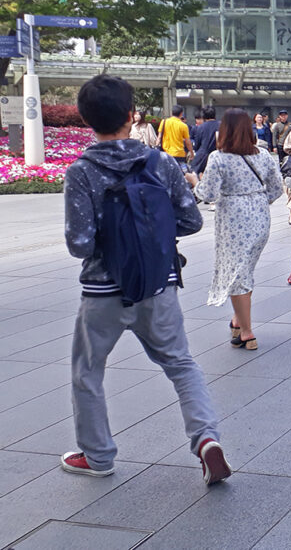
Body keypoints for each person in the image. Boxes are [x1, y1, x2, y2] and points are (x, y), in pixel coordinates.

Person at [61, 74, 230, 484]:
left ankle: (98, 456)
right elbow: (189, 220)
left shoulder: (81, 171)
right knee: (181, 363)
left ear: (87, 119)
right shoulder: (161, 163)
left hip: (103, 290)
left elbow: (80, 245)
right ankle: (206, 440)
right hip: (159, 283)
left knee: (88, 369)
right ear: (132, 115)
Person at [186, 109, 283, 351]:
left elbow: (207, 194)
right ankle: (238, 320)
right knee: (244, 269)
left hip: (232, 217)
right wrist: (258, 200)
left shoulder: (219, 158)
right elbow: (277, 188)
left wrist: (194, 182)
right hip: (260, 216)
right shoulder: (262, 155)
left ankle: (248, 333)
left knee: (237, 273)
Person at [157, 104, 193, 172]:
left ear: (172, 113)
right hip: (179, 154)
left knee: (167, 173)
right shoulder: (183, 126)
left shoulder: (164, 122)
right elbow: (188, 142)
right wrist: (191, 152)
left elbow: (159, 137)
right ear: (181, 114)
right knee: (180, 174)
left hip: (166, 153)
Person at [191, 106, 219, 177]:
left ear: (204, 116)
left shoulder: (201, 127)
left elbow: (197, 144)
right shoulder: (221, 125)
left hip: (203, 156)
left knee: (196, 173)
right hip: (218, 155)